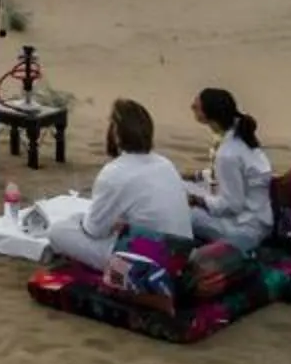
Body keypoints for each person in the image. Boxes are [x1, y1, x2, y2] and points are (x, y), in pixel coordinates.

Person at [41, 99, 194, 273]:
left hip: (150, 259)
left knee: (58, 231)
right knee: (84, 220)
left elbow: (94, 231)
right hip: (181, 253)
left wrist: (83, 221)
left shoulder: (114, 172)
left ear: (116, 133)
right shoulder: (165, 163)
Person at [186, 86, 274, 252]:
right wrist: (197, 176)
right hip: (259, 217)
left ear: (208, 114)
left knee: (183, 212)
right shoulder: (240, 137)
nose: (191, 107)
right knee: (182, 184)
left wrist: (197, 201)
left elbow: (232, 205)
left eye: (196, 106)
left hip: (244, 229)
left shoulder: (228, 154)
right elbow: (238, 177)